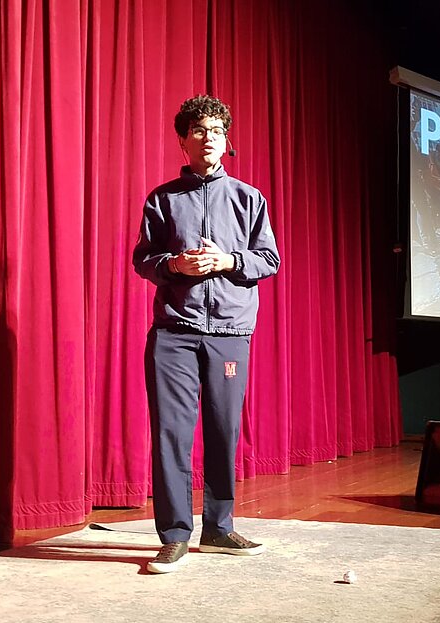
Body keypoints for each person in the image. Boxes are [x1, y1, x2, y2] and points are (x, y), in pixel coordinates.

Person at [132, 95, 280, 574]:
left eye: (217, 130)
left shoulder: (249, 198)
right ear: (184, 140)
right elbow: (143, 260)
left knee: (223, 429)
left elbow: (270, 259)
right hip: (174, 331)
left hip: (230, 331)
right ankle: (174, 536)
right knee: (171, 434)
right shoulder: (162, 199)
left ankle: (218, 528)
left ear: (226, 139)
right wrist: (175, 264)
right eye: (198, 130)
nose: (209, 137)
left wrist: (229, 260)